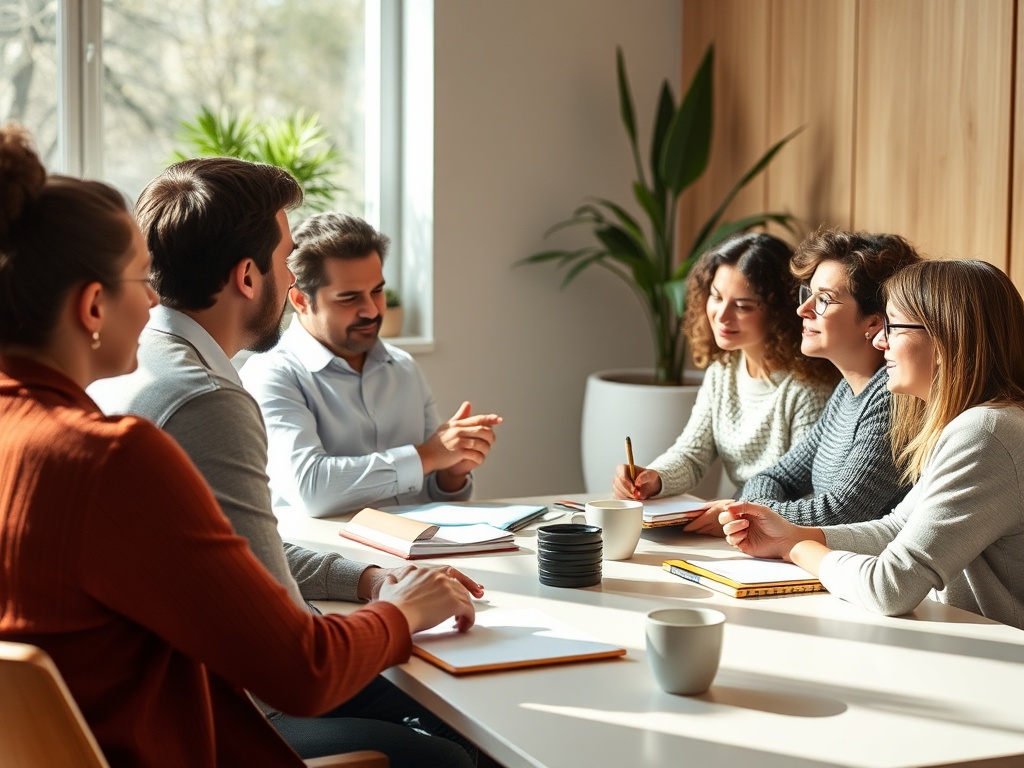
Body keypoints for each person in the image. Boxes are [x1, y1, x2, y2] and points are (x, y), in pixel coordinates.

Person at [0, 125, 477, 767]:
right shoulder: (132, 441)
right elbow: (298, 671)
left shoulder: (27, 421)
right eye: (140, 281)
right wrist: (402, 612)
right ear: (92, 307)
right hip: (180, 732)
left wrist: (366, 580)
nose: (151, 303)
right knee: (455, 749)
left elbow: (219, 554)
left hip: (90, 732)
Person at [720, 259, 1024, 629]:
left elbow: (890, 587)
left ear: (945, 339)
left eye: (893, 327)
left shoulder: (986, 432)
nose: (880, 340)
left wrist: (795, 549)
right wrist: (796, 533)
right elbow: (897, 528)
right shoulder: (975, 424)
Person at [240, 212, 502, 518]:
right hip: (330, 561)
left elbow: (429, 489)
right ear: (300, 300)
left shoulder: (403, 367)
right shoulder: (270, 375)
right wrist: (427, 456)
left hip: (414, 556)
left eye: (376, 291)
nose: (371, 309)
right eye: (349, 298)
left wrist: (451, 471)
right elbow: (311, 489)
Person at [692, 229, 922, 533]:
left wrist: (752, 512)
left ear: (874, 322)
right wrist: (752, 509)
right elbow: (772, 478)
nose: (803, 309)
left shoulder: (892, 399)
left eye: (824, 299)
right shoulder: (847, 392)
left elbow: (840, 513)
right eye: (807, 293)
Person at [611, 233, 837, 505]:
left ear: (779, 310)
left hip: (778, 528)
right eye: (716, 297)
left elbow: (809, 491)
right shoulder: (723, 370)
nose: (722, 315)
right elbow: (692, 454)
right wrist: (653, 478)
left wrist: (736, 511)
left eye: (742, 306)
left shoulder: (807, 388)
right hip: (741, 517)